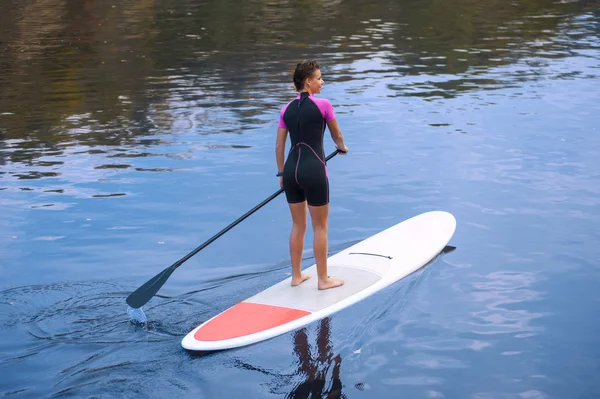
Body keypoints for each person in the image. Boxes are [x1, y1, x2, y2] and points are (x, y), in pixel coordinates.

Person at [275, 60, 348, 291]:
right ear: (308, 82)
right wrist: (343, 147)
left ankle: (296, 276)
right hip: (314, 170)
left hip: (290, 171)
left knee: (298, 225)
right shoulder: (323, 105)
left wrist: (281, 174)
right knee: (320, 227)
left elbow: (279, 147)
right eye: (319, 78)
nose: (322, 82)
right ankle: (323, 280)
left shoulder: (286, 109)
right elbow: (337, 135)